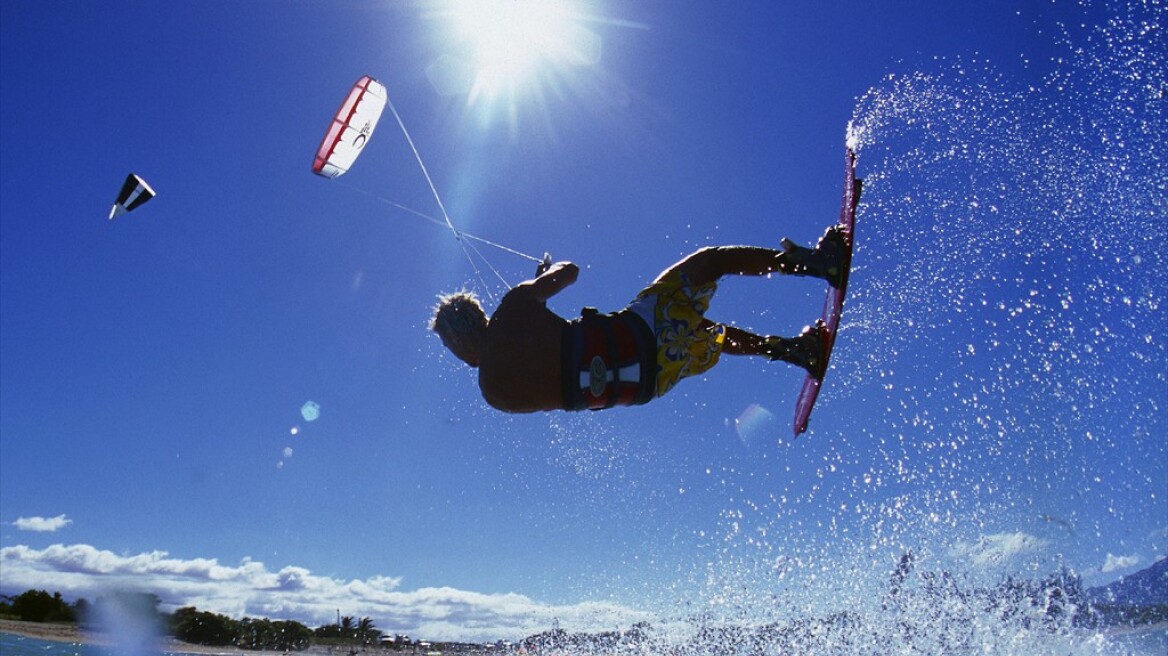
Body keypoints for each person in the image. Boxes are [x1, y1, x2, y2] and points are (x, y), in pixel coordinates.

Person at [431, 227, 846, 413]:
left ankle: (797, 351)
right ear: (479, 317)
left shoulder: (494, 396)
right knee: (710, 261)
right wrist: (538, 283)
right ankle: (816, 263)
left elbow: (553, 376)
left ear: (458, 348)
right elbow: (572, 271)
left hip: (648, 383)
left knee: (705, 335)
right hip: (641, 334)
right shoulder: (512, 309)